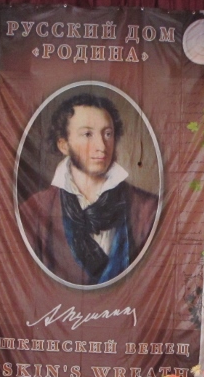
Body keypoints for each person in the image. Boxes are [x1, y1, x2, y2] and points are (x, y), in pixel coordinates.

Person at [19, 93, 159, 286]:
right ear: (64, 145)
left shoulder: (148, 209)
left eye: (107, 134)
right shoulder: (34, 211)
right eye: (87, 134)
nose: (101, 146)